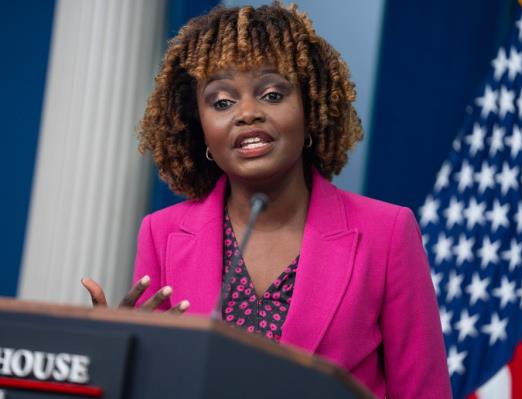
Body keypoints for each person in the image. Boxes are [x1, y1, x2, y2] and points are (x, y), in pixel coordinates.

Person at [82, 2, 451, 397]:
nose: (247, 113)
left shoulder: (387, 233)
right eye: (222, 102)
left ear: (309, 110)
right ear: (200, 127)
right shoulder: (162, 233)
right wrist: (117, 359)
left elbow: (423, 391)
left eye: (272, 94)